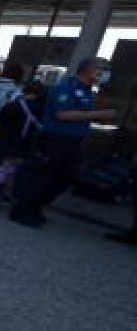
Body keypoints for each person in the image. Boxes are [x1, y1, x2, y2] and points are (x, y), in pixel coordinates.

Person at [9, 58, 115, 228]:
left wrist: (97, 117)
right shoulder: (65, 87)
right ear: (88, 70)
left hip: (74, 140)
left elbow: (81, 114)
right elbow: (62, 114)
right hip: (54, 138)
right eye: (102, 69)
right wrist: (97, 114)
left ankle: (36, 206)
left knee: (66, 176)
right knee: (42, 176)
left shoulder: (88, 90)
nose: (105, 73)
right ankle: (22, 210)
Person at [0, 81, 44, 206]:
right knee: (10, 169)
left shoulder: (12, 105)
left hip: (7, 141)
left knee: (8, 168)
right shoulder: (41, 109)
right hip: (26, 144)